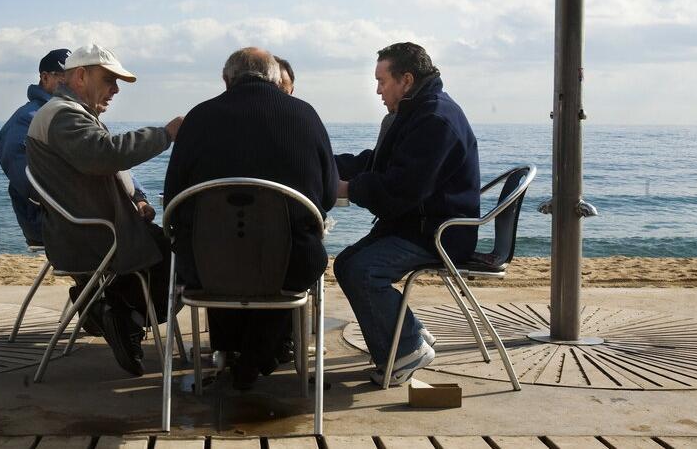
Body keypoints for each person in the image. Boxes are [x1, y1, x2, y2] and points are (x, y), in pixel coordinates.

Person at [164, 47, 337, 389]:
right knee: (291, 257)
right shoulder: (305, 116)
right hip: (289, 264)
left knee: (221, 248)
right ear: (277, 79)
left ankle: (241, 353)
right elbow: (328, 197)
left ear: (226, 80)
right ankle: (259, 353)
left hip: (204, 267)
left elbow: (173, 200)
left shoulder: (198, 117)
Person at [26, 43, 184, 377]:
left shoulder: (69, 113)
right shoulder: (63, 116)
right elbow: (104, 155)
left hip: (86, 234)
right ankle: (120, 318)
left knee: (169, 257)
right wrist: (166, 134)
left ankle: (109, 311)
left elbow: (106, 165)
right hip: (99, 238)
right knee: (185, 263)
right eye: (109, 80)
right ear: (81, 76)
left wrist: (137, 200)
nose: (114, 90)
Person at [332, 42, 481, 386]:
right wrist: (325, 165)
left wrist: (347, 189)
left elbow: (401, 190)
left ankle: (406, 350)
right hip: (418, 223)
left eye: (382, 81)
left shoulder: (434, 118)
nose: (378, 90)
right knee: (347, 263)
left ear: (407, 80)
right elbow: (379, 162)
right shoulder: (419, 112)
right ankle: (410, 336)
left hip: (437, 233)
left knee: (361, 270)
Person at [0, 48, 71, 246]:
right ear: (45, 78)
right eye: (62, 76)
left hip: (72, 214)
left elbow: (105, 156)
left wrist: (138, 195)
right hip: (48, 219)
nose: (69, 82)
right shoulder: (26, 120)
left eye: (74, 76)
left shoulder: (73, 116)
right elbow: (32, 184)